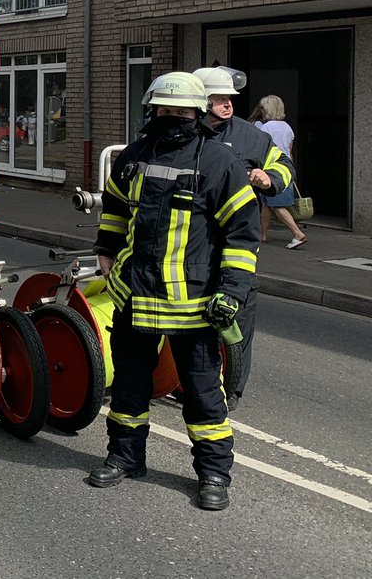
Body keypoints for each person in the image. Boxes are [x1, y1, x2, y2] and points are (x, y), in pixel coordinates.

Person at [90, 72, 259, 511]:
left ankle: (214, 474)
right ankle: (125, 458)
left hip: (194, 303)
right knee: (128, 388)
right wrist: (106, 250)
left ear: (197, 113)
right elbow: (114, 209)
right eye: (164, 110)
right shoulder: (134, 155)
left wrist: (233, 291)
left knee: (204, 394)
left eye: (181, 111)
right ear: (152, 110)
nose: (172, 117)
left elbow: (242, 235)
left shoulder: (219, 162)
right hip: (134, 295)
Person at [193, 66, 295, 407]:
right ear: (201, 101)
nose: (227, 105)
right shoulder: (186, 133)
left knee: (238, 315)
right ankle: (190, 379)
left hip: (236, 241)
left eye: (229, 99)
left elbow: (284, 164)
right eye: (219, 99)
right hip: (193, 242)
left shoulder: (250, 135)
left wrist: (269, 178)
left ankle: (232, 388)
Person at [252, 94, 307, 250]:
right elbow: (289, 151)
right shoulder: (287, 127)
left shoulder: (265, 128)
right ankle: (262, 235)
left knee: (276, 205)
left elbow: (260, 150)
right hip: (285, 168)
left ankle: (297, 234)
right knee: (267, 203)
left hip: (271, 170)